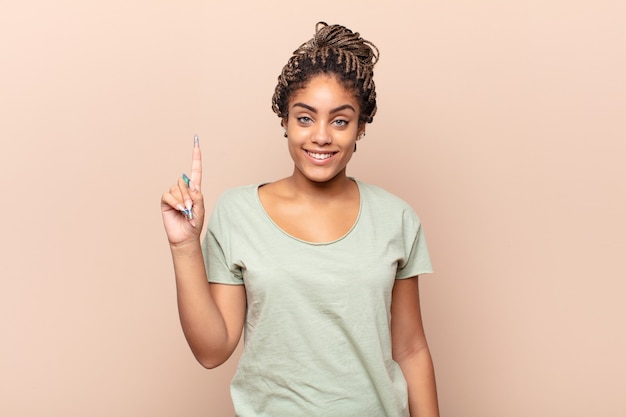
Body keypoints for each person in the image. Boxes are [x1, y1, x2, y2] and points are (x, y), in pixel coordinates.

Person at [161, 22, 439, 417]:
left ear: (361, 127)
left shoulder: (396, 219)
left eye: (340, 121)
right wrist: (184, 245)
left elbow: (411, 349)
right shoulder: (238, 214)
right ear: (285, 121)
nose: (321, 136)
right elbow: (211, 350)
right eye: (305, 118)